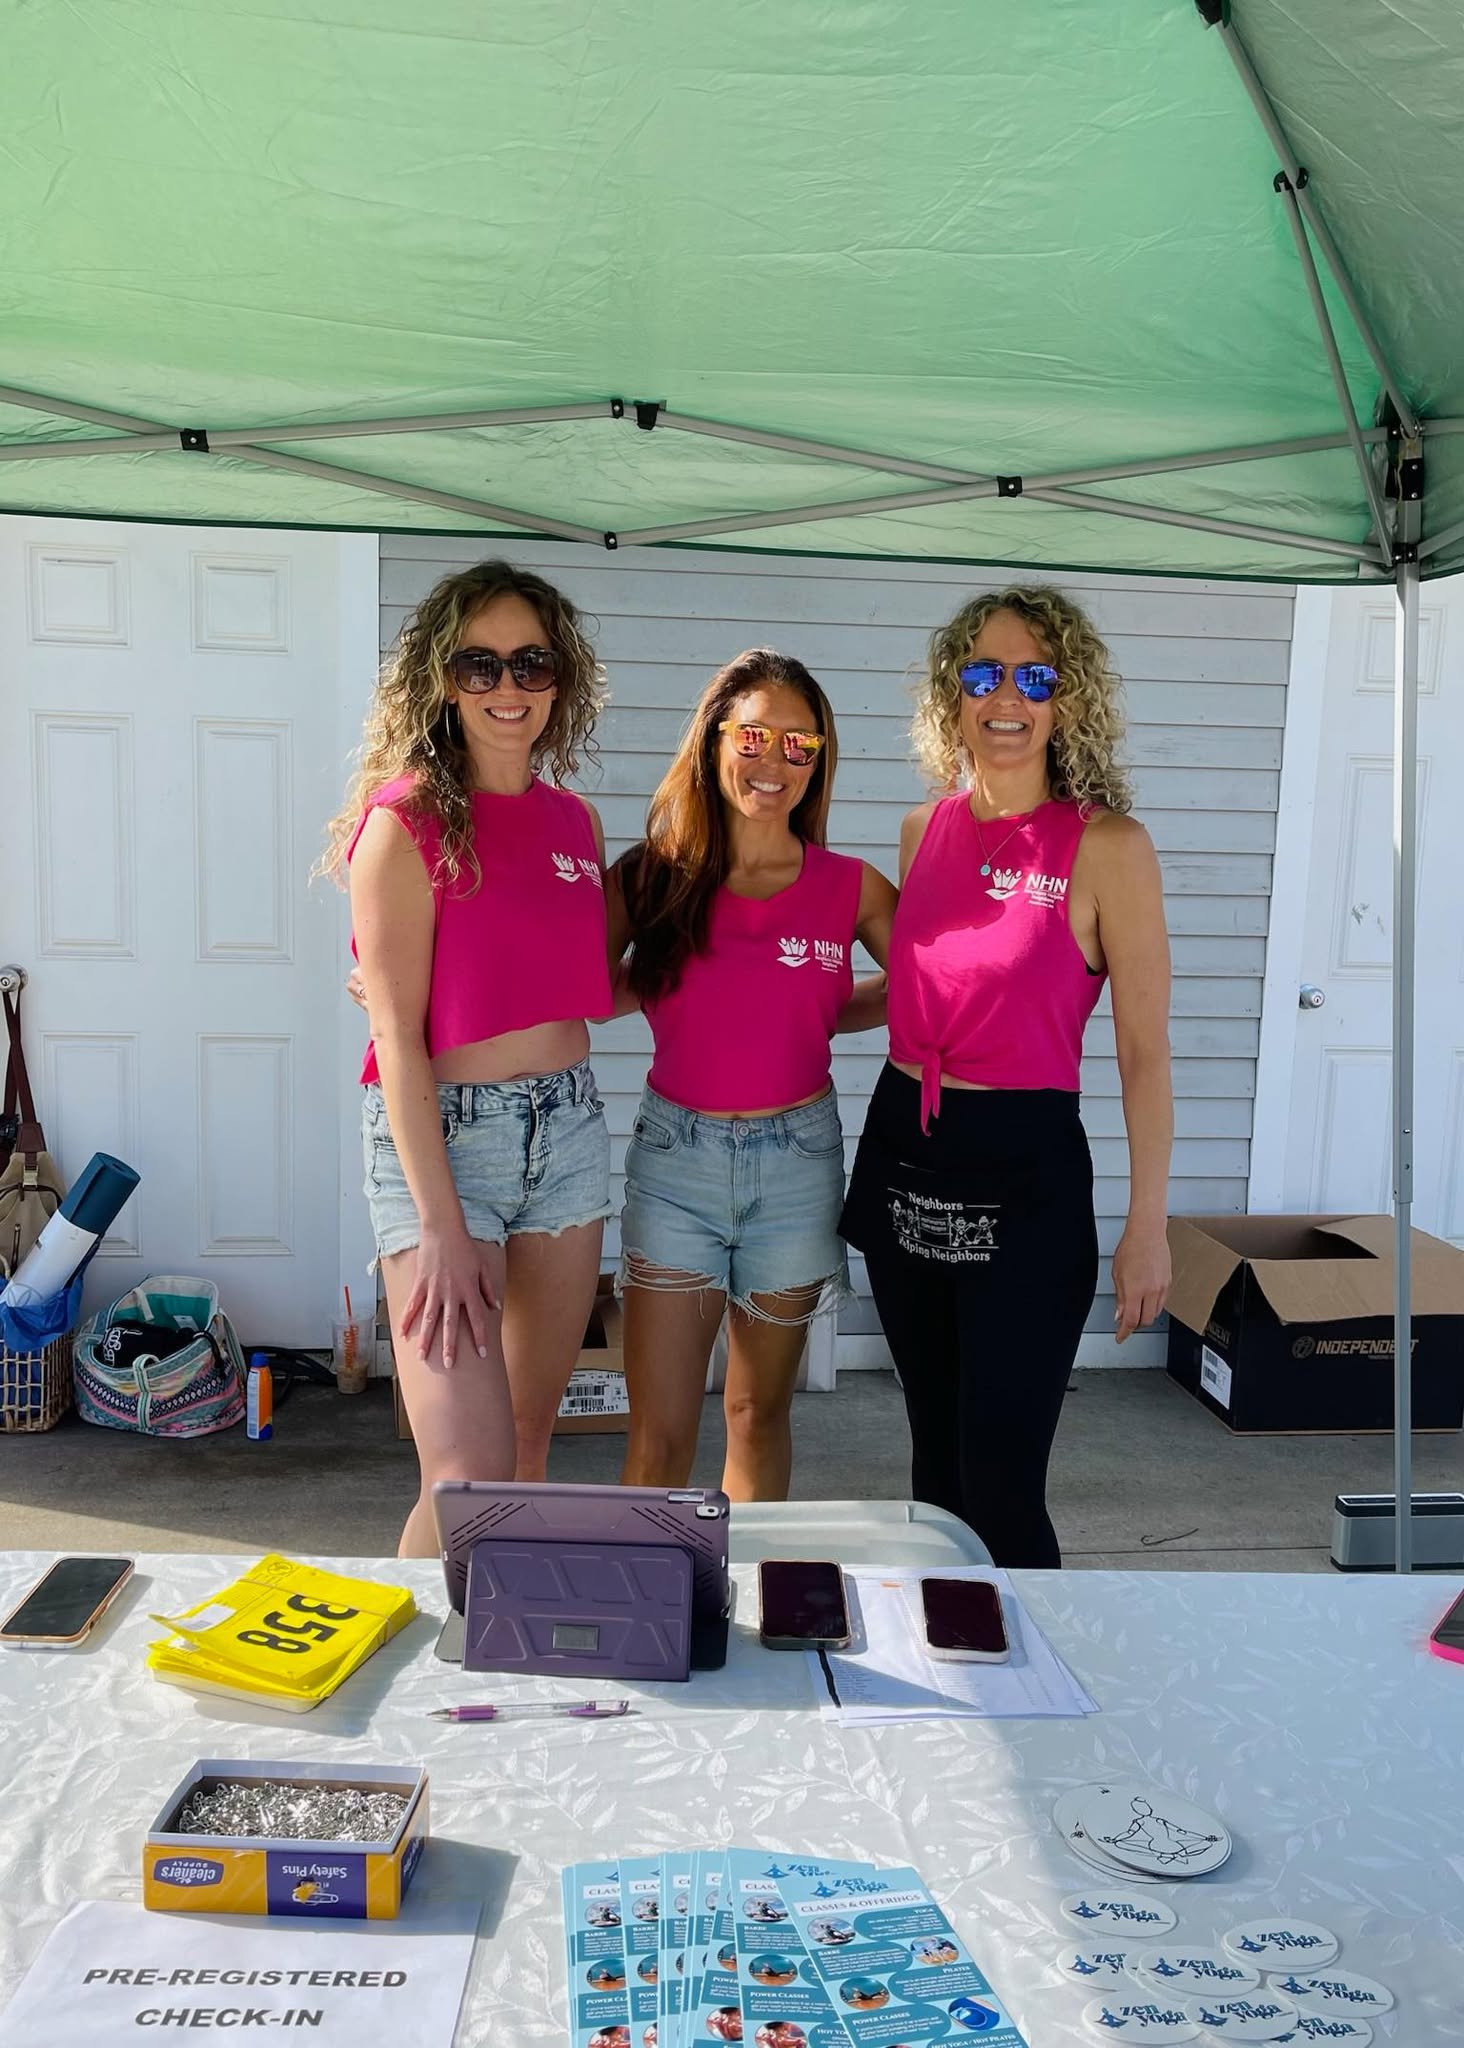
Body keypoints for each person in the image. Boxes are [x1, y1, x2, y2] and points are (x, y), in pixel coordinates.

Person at [841, 584, 1172, 1567]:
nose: (1007, 697)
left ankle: (1036, 1688)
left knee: (1000, 1479)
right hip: (907, 1150)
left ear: (1068, 699)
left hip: (1026, 1176)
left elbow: (1143, 1049)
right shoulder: (921, 830)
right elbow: (908, 992)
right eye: (982, 673)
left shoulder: (1108, 846)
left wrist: (1147, 1228)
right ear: (953, 694)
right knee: (935, 1470)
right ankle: (956, 1678)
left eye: (1036, 676)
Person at [324, 559, 612, 1555]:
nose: (507, 685)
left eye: (530, 662)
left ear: (559, 677)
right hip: (447, 1142)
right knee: (466, 1480)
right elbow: (395, 1038)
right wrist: (439, 1227)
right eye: (479, 664)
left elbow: (572, 978)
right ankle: (410, 1694)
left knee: (528, 1451)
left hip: (569, 1131)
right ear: (444, 679)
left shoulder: (575, 821)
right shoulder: (403, 823)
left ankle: (504, 1669)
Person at [609, 650, 897, 1501]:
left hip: (797, 1167)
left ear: (819, 759)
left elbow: (935, 979)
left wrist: (811, 1008)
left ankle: (746, 1603)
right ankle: (647, 1611)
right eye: (754, 736)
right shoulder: (651, 874)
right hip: (677, 1166)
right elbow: (576, 982)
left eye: (799, 745)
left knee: (754, 1414)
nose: (774, 763)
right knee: (658, 1436)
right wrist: (401, 975)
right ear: (713, 741)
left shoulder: (851, 887)